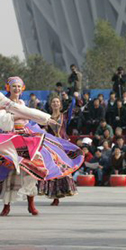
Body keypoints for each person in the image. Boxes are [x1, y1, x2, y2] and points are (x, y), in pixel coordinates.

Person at [0, 77, 83, 216]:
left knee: (33, 169)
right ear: (8, 88)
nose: (16, 89)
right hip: (12, 138)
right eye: (14, 86)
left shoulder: (21, 103)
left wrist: (43, 124)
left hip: (26, 138)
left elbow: (30, 117)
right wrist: (16, 116)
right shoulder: (4, 104)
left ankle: (31, 204)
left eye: (19, 87)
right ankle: (6, 206)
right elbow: (4, 121)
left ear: (22, 88)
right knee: (12, 171)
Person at [37, 96, 79, 206]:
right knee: (53, 169)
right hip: (52, 145)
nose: (55, 103)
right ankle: (55, 196)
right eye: (53, 102)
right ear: (51, 105)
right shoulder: (47, 117)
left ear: (60, 104)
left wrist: (71, 96)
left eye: (57, 102)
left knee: (62, 168)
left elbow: (74, 103)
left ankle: (65, 190)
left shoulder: (64, 116)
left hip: (63, 145)